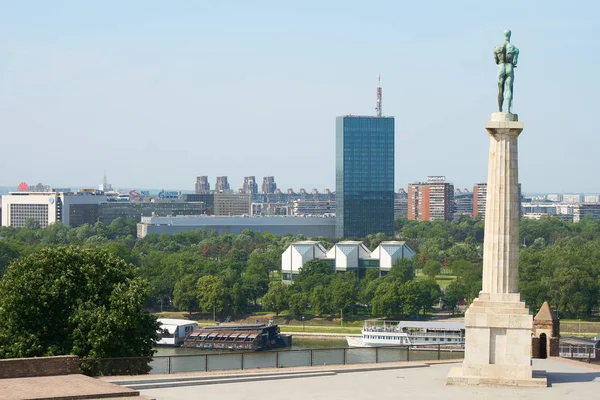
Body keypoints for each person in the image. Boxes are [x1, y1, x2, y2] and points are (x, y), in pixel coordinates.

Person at [494, 30, 520, 113]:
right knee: (508, 89)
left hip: (501, 67)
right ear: (510, 35)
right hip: (509, 67)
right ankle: (508, 110)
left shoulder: (497, 49)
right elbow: (515, 62)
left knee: (500, 89)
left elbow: (496, 61)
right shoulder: (515, 49)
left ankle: (500, 110)